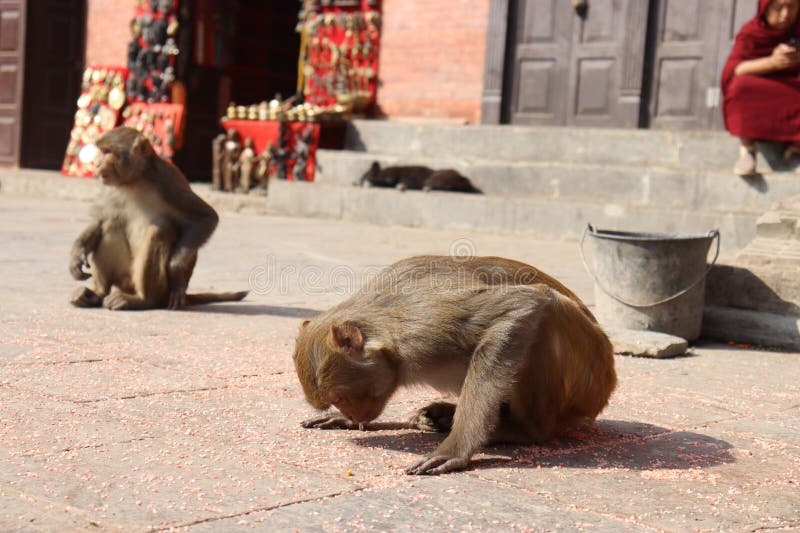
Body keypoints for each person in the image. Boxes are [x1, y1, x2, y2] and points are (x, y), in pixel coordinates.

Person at [721, 0, 800, 176]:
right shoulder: (752, 32)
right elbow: (735, 69)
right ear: (765, 8)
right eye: (779, 7)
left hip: (792, 87)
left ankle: (796, 149)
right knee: (741, 86)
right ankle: (747, 149)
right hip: (762, 89)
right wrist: (772, 63)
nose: (786, 14)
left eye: (792, 7)